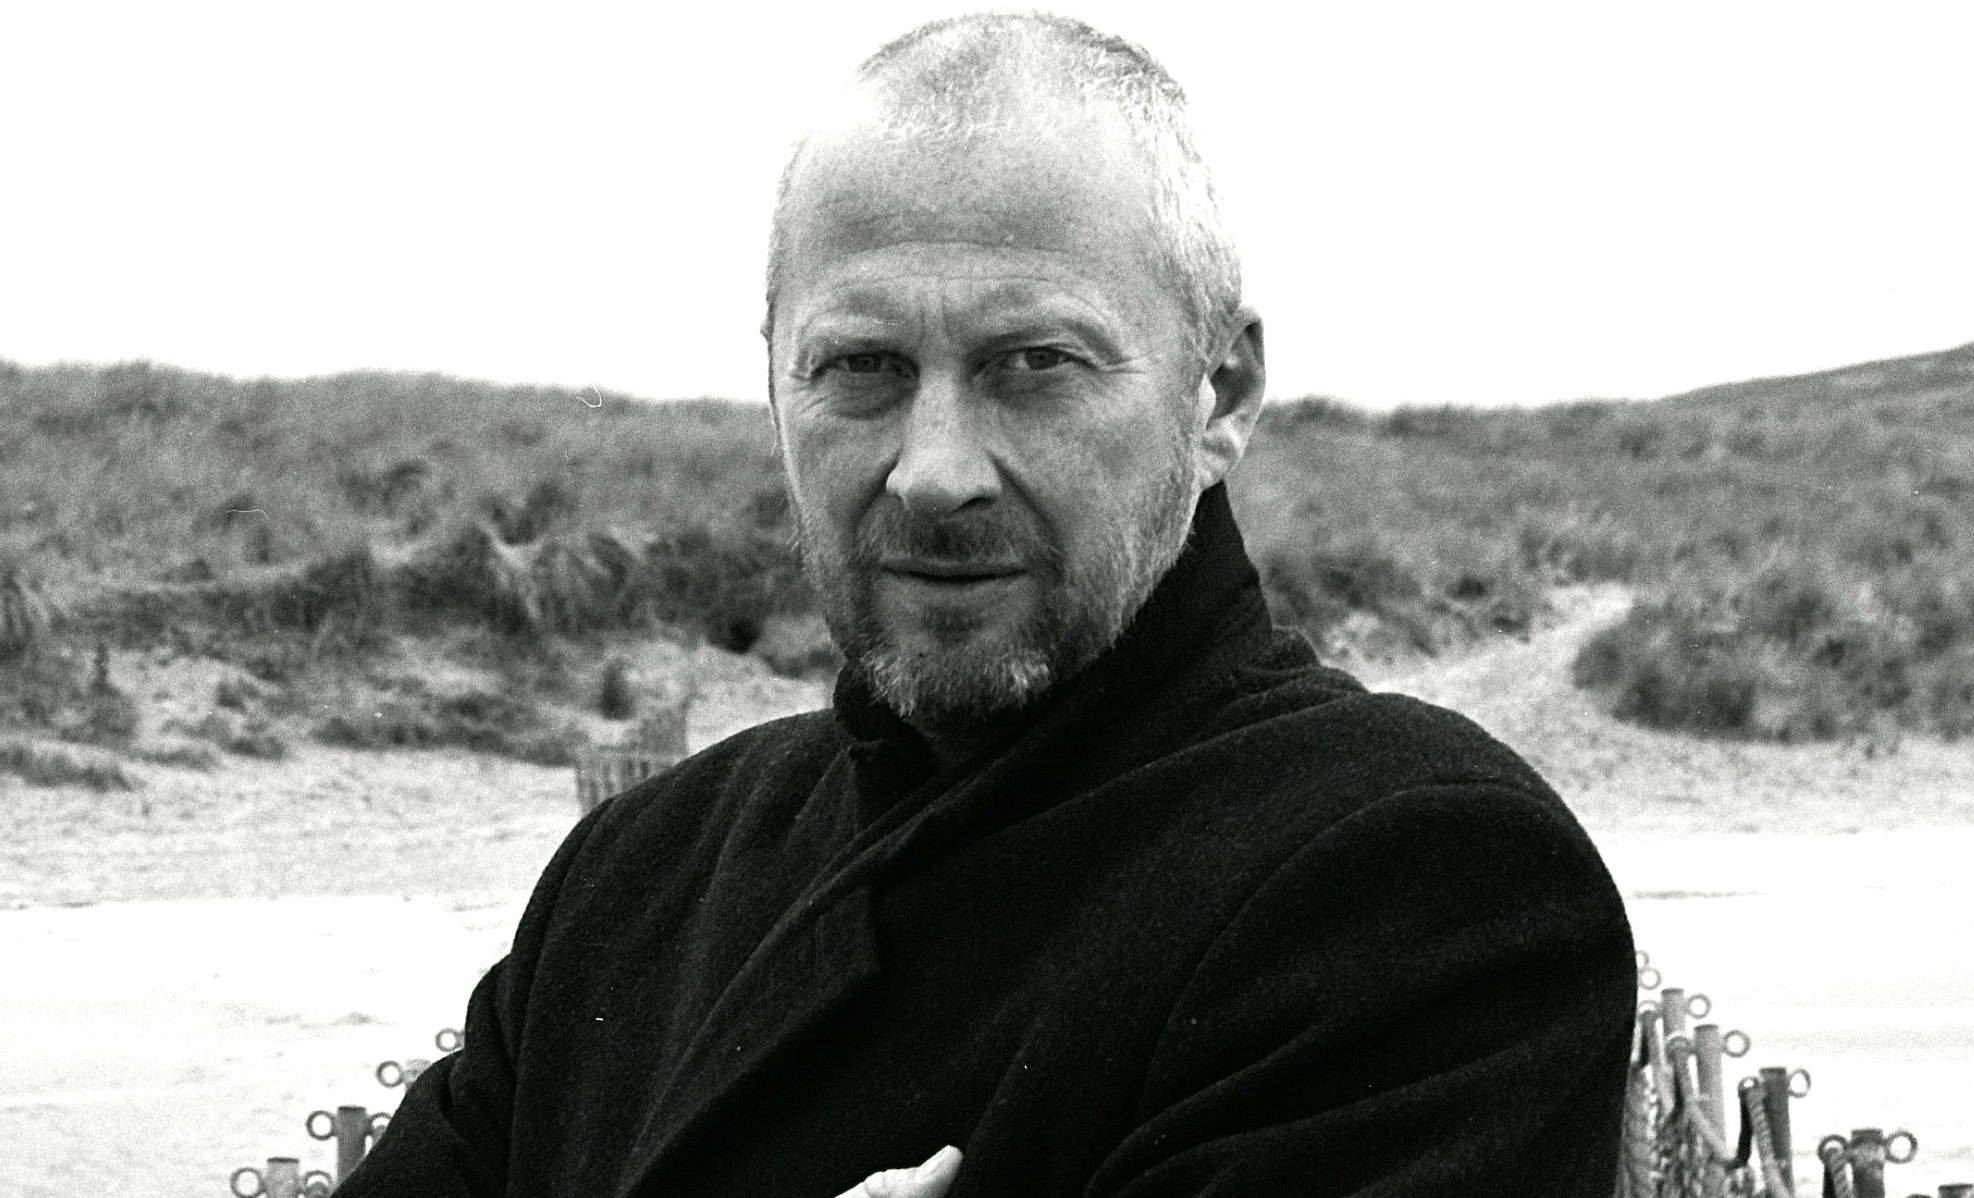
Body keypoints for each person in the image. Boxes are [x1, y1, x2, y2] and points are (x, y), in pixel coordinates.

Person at [338, 13, 1635, 1197]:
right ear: (776, 383)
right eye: (862, 366)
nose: (934, 470)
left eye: (1034, 363)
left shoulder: (1414, 884)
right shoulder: (636, 876)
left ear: (1220, 395)